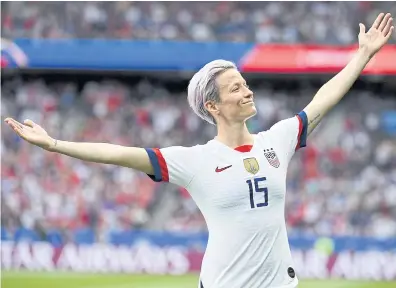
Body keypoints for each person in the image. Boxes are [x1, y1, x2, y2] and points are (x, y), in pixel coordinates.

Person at [4, 13, 393, 288]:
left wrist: (362, 56)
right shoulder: (195, 161)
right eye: (236, 88)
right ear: (213, 106)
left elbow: (323, 99)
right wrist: (54, 144)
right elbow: (118, 152)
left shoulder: (277, 140)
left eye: (245, 83)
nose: (248, 91)